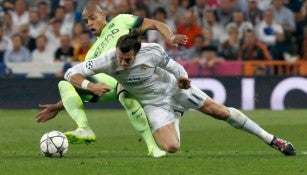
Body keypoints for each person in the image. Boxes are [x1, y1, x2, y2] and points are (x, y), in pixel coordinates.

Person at [64, 29, 296, 156]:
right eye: (120, 58)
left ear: (137, 52)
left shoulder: (152, 51)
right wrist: (90, 86)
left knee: (221, 112)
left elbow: (175, 68)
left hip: (173, 90)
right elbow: (71, 73)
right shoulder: (108, 60)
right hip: (154, 104)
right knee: (172, 148)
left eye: (127, 59)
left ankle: (272, 140)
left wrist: (183, 80)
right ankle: (176, 114)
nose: (122, 63)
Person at [35, 3, 187, 158]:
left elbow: (155, 24)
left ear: (103, 15)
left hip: (131, 76)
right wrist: (58, 107)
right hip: (103, 86)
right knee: (66, 83)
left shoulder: (121, 21)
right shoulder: (92, 53)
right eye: (86, 22)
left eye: (92, 18)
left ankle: (153, 147)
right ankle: (84, 128)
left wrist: (171, 37)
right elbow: (79, 89)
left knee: (125, 94)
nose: (90, 24)